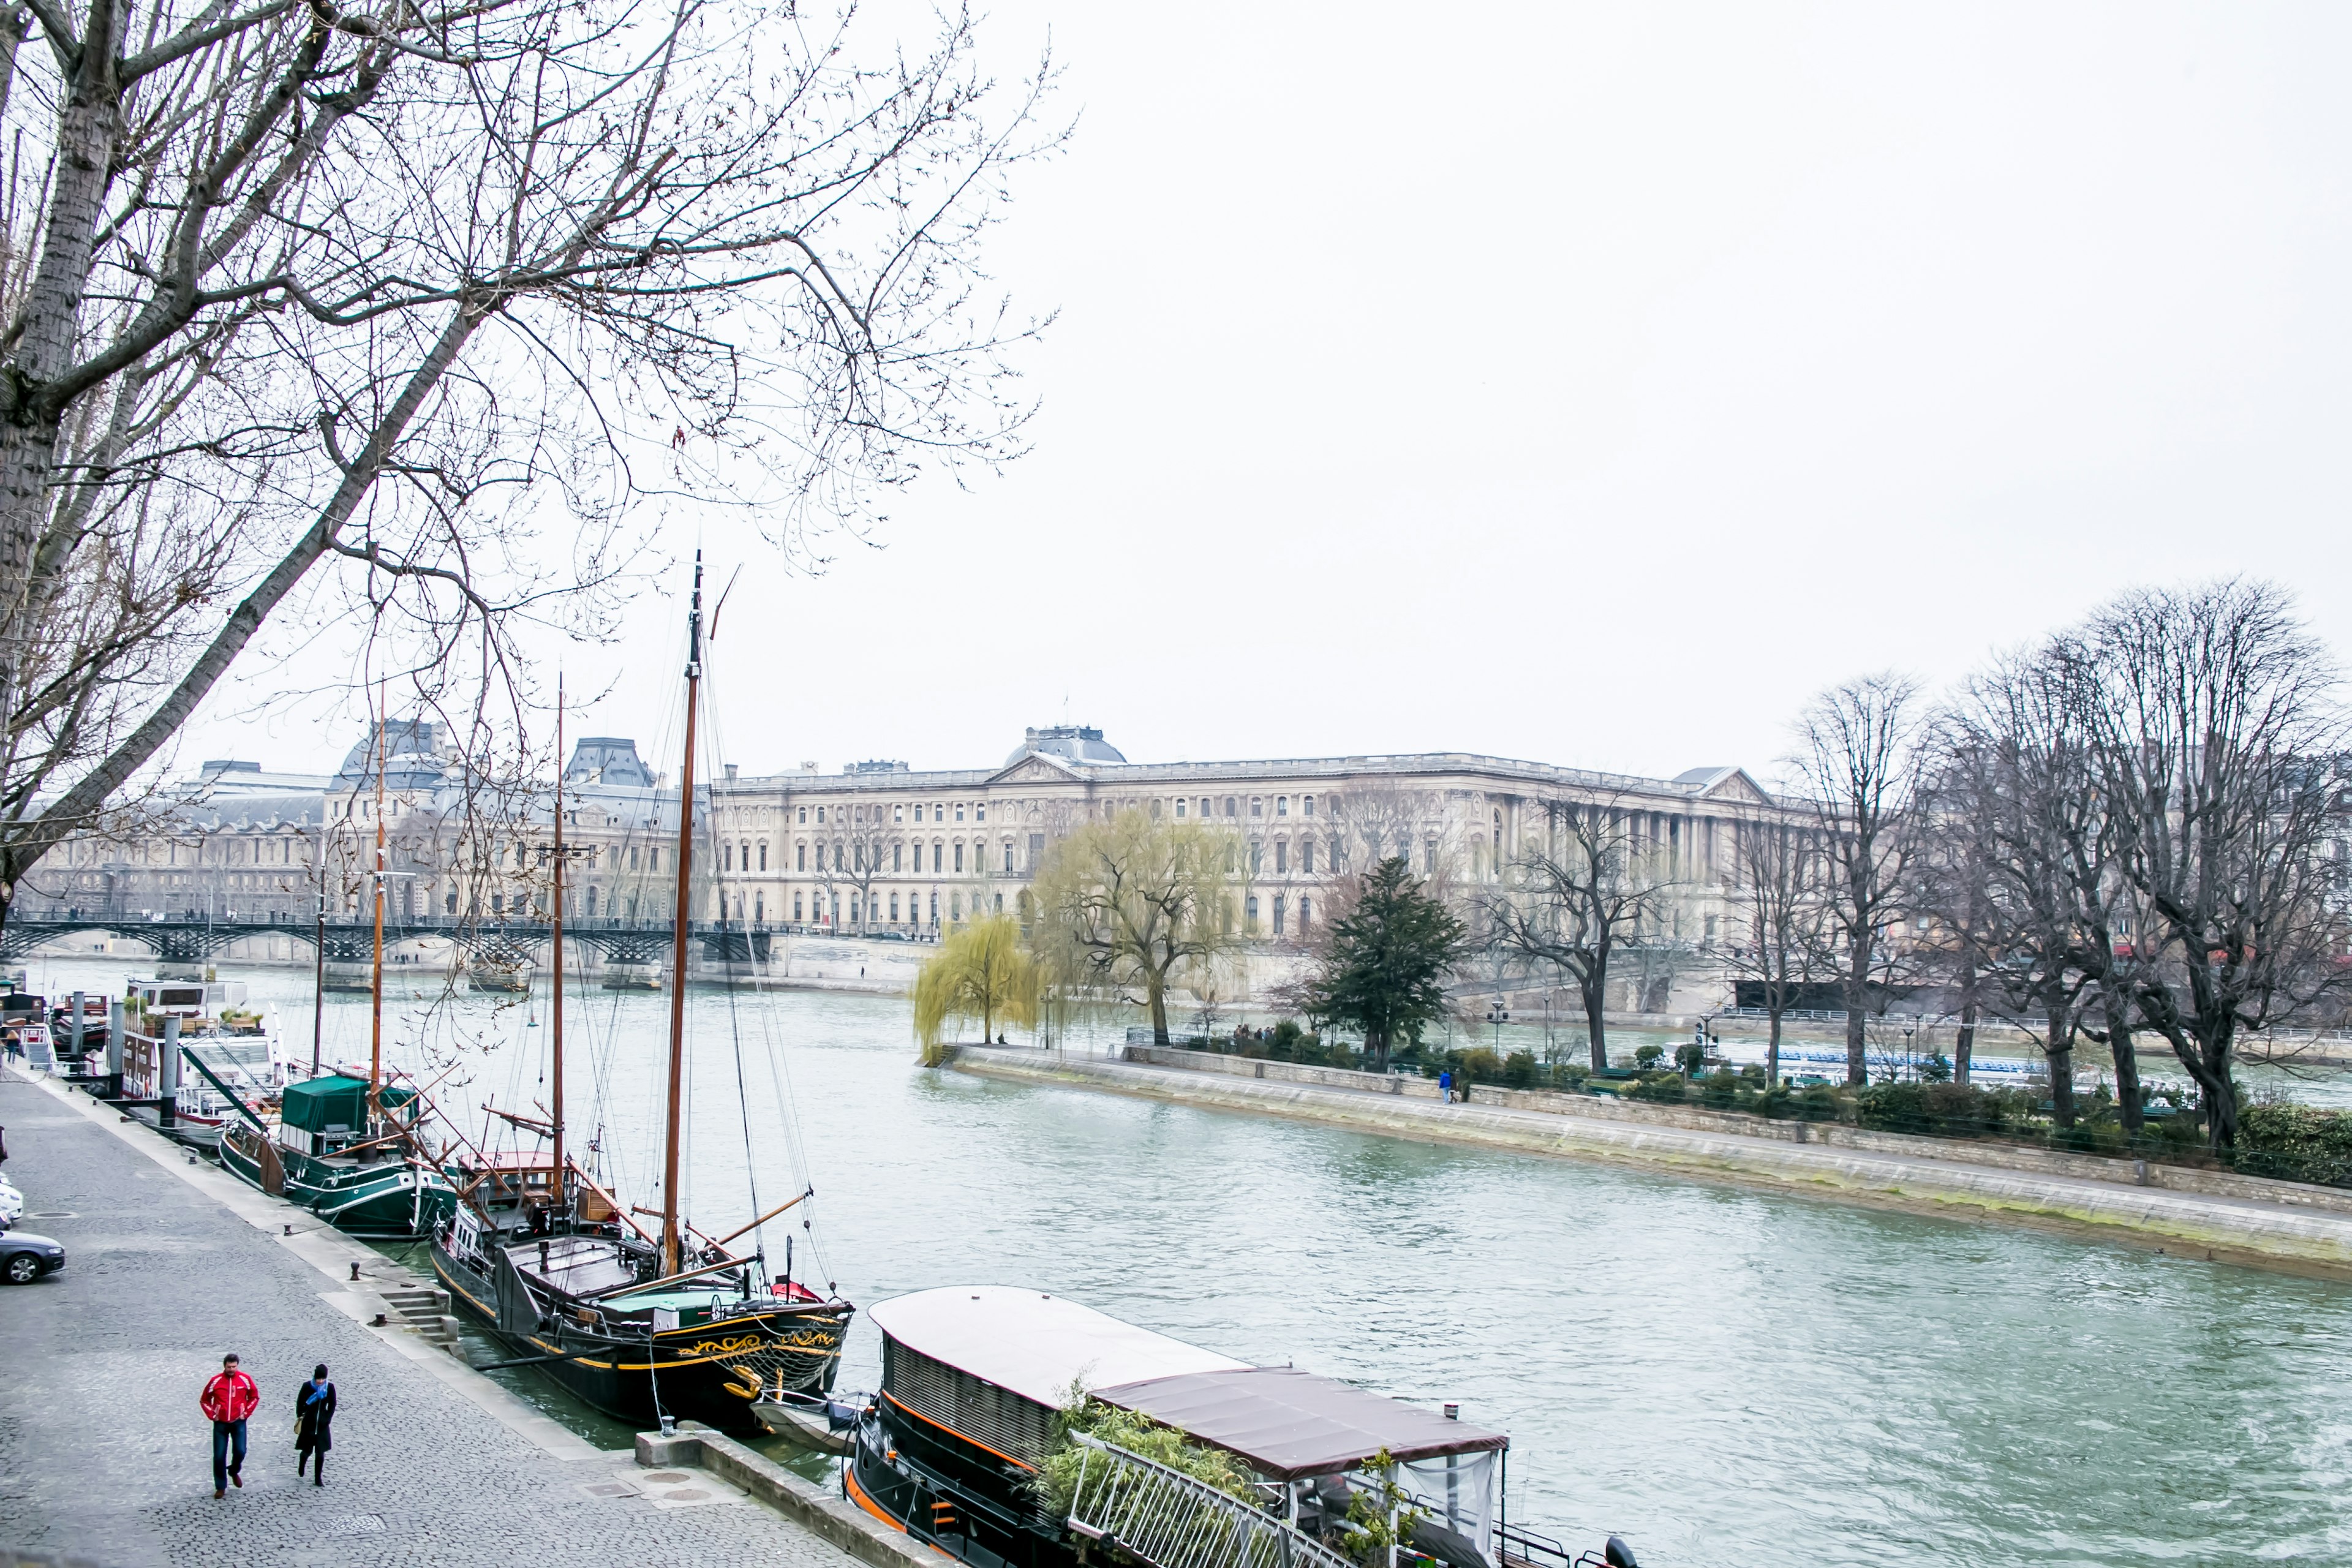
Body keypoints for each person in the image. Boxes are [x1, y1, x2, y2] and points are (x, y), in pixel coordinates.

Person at [201, 1353, 260, 1498]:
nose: (232, 1369)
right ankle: (221, 1486)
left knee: (241, 1451)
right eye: (229, 1367)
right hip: (220, 1424)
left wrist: (246, 1413)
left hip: (238, 1422)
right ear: (225, 1366)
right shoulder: (215, 1381)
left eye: (234, 1367)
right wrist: (213, 1415)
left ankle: (234, 1471)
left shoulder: (245, 1380)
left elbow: (254, 1397)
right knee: (219, 1456)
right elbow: (204, 1400)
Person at [295, 1364, 337, 1485]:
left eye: (322, 1379)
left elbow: (333, 1404)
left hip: (322, 1425)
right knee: (307, 1451)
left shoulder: (330, 1388)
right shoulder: (307, 1386)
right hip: (309, 1424)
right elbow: (300, 1402)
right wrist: (301, 1416)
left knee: (320, 1453)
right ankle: (302, 1463)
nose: (320, 1381)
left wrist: (327, 1418)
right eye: (318, 1379)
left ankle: (318, 1478)